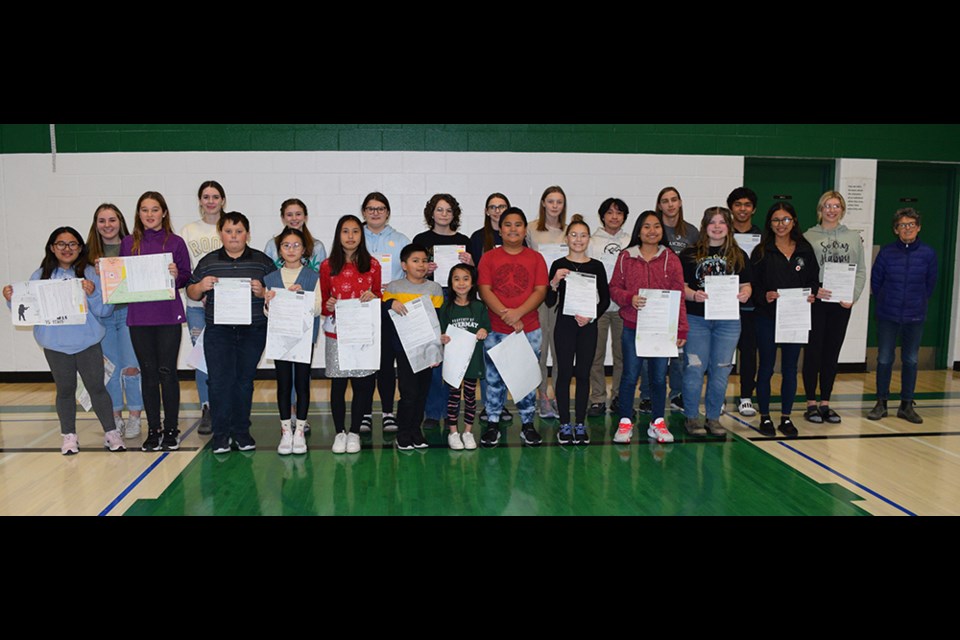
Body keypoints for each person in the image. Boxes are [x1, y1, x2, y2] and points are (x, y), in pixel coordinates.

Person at [3, 228, 123, 455]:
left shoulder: (90, 273)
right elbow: (29, 312)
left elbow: (104, 311)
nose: (67, 249)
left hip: (87, 342)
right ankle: (69, 436)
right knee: (65, 390)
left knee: (97, 387)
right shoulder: (39, 276)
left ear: (80, 247)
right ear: (52, 248)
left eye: (72, 244)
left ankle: (111, 432)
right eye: (61, 244)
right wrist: (12, 300)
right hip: (56, 345)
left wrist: (93, 293)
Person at [187, 211, 276, 454]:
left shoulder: (262, 261)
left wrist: (262, 292)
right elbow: (191, 293)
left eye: (239, 231)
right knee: (218, 382)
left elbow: (275, 295)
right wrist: (200, 286)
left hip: (253, 331)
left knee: (244, 382)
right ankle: (221, 434)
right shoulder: (208, 262)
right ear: (220, 233)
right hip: (218, 332)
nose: (234, 236)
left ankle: (241, 432)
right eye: (228, 231)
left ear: (247, 234)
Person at [610, 210, 688, 445]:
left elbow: (680, 295)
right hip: (633, 327)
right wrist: (629, 298)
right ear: (638, 231)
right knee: (630, 376)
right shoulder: (626, 256)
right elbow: (613, 288)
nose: (652, 231)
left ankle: (657, 422)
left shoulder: (671, 259)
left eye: (656, 226)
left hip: (662, 330)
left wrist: (681, 329)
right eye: (646, 226)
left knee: (657, 378)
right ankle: (625, 422)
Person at [121, 191, 191, 451]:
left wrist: (177, 274)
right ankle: (154, 429)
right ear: (138, 214)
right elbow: (121, 280)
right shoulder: (128, 243)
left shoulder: (176, 242)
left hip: (167, 316)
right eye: (144, 209)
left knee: (167, 372)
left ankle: (171, 428)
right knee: (148, 374)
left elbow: (187, 277)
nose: (149, 214)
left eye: (154, 209)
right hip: (139, 318)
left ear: (163, 212)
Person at [477, 207, 549, 447]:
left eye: (518, 224)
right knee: (494, 379)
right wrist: (507, 316)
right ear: (500, 228)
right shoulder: (489, 257)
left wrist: (519, 313)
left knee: (526, 379)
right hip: (496, 329)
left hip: (528, 329)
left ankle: (528, 424)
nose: (513, 229)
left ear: (525, 229)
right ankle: (493, 423)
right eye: (508, 224)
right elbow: (485, 290)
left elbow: (540, 290)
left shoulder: (536, 258)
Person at [679, 207, 753, 436]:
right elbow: (680, 285)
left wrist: (745, 293)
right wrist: (693, 294)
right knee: (694, 368)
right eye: (713, 222)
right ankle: (691, 417)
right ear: (705, 226)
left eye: (722, 222)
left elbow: (746, 284)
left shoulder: (739, 255)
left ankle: (713, 418)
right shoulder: (690, 254)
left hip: (728, 321)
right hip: (697, 318)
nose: (718, 227)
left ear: (728, 227)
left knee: (721, 370)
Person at [751, 202, 819, 438]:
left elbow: (814, 281)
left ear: (794, 221)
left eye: (786, 219)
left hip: (795, 318)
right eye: (776, 220)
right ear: (770, 224)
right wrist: (764, 296)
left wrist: (811, 294)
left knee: (790, 369)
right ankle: (765, 416)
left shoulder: (805, 250)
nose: (781, 225)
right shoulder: (761, 251)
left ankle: (786, 417)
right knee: (767, 367)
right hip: (767, 317)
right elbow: (753, 286)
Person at [867, 208, 938, 424]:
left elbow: (930, 284)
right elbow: (876, 282)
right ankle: (881, 403)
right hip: (888, 314)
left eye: (911, 225)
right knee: (885, 358)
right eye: (902, 225)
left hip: (914, 316)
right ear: (895, 230)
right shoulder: (887, 253)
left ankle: (906, 405)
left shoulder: (928, 253)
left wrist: (915, 303)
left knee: (911, 359)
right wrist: (887, 301)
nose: (906, 229)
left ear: (918, 227)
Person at [263, 198, 327, 434]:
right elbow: (267, 310)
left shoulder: (312, 274)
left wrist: (303, 298)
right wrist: (269, 303)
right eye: (286, 246)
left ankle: (300, 425)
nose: (291, 250)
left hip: (303, 332)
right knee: (283, 382)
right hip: (280, 333)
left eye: (296, 246)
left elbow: (319, 306)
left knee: (302, 380)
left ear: (304, 250)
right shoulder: (272, 277)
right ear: (279, 250)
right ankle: (285, 427)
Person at [802, 191, 866, 424]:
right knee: (813, 351)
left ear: (842, 209)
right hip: (818, 300)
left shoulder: (852, 237)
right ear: (820, 209)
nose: (831, 210)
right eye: (827, 205)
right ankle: (810, 402)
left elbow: (860, 270)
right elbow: (803, 270)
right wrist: (812, 289)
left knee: (832, 352)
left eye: (836, 206)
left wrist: (853, 296)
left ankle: (826, 402)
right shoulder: (808, 236)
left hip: (841, 302)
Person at [319, 214, 382, 454]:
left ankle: (355, 431)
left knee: (363, 384)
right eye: (345, 231)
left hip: (364, 333)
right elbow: (324, 301)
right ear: (338, 235)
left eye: (355, 231)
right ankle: (339, 432)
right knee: (338, 384)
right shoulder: (327, 266)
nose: (351, 236)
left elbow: (379, 294)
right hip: (337, 333)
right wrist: (330, 304)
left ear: (361, 235)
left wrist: (374, 297)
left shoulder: (373, 264)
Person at [546, 214, 610, 444]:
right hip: (564, 326)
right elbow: (549, 302)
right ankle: (564, 423)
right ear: (566, 238)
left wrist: (591, 317)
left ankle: (580, 424)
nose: (578, 239)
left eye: (583, 235)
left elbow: (605, 300)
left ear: (589, 239)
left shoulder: (597, 266)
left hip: (587, 327)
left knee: (583, 375)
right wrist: (554, 282)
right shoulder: (558, 265)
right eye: (574, 235)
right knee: (563, 374)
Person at [412, 194, 473, 430]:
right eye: (439, 210)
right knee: (434, 357)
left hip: (459, 301)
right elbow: (413, 269)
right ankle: (433, 412)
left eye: (448, 210)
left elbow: (472, 277)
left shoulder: (463, 240)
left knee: (456, 356)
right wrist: (424, 270)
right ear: (432, 213)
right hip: (432, 300)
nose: (444, 214)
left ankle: (452, 412)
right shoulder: (421, 239)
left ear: (454, 214)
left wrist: (471, 262)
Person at [86, 203, 142, 439]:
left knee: (131, 366)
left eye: (112, 220)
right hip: (104, 317)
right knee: (111, 368)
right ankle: (115, 417)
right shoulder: (88, 254)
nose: (107, 225)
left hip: (130, 312)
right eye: (102, 220)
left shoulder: (132, 247)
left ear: (120, 221)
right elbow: (85, 288)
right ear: (95, 224)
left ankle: (135, 417)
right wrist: (94, 277)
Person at [383, 243, 444, 450]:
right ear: (404, 265)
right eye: (415, 261)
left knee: (421, 393)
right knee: (408, 393)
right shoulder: (394, 287)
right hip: (404, 349)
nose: (421, 265)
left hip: (427, 350)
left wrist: (437, 348)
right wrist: (389, 304)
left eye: (424, 261)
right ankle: (403, 432)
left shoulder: (434, 289)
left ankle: (416, 430)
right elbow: (383, 315)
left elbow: (437, 321)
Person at [179, 180, 226, 435]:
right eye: (206, 196)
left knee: (228, 356)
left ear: (222, 200)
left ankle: (226, 406)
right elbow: (185, 271)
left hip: (228, 305)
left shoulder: (230, 228)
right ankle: (207, 407)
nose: (210, 201)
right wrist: (201, 291)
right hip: (197, 305)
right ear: (199, 201)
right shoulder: (188, 231)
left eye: (215, 196)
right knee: (202, 358)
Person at [467, 192, 518, 424]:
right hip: (486, 305)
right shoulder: (477, 238)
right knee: (489, 358)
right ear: (487, 211)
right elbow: (471, 275)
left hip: (510, 307)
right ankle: (489, 405)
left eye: (502, 206)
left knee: (505, 358)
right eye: (493, 207)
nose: (497, 211)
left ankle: (502, 404)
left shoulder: (517, 236)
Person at [360, 192, 409, 434]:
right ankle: (365, 413)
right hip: (362, 308)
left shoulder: (400, 239)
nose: (375, 212)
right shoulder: (355, 238)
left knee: (387, 364)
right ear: (364, 212)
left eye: (380, 208)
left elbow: (410, 272)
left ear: (387, 212)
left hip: (391, 308)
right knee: (367, 363)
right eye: (370, 208)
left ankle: (388, 412)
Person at [587, 197, 631, 417]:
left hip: (624, 308)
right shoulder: (591, 242)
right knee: (596, 354)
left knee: (622, 355)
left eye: (619, 213)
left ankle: (619, 397)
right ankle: (597, 398)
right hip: (598, 306)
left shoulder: (631, 242)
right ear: (602, 215)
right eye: (610, 212)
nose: (614, 217)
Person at [656, 186, 699, 412]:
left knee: (679, 350)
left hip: (683, 298)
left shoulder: (692, 232)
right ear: (659, 205)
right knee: (653, 348)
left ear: (680, 203)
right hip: (657, 298)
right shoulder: (654, 229)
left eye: (674, 200)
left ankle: (677, 394)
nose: (670, 204)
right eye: (665, 201)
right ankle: (647, 395)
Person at [527, 186, 568, 419]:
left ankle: (559, 396)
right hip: (541, 296)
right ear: (543, 203)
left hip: (565, 297)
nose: (555, 206)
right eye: (550, 201)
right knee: (541, 350)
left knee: (561, 349)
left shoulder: (568, 230)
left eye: (559, 202)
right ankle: (542, 396)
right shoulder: (532, 229)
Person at [439, 264, 490, 450]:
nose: (461, 283)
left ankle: (468, 432)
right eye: (456, 279)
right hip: (453, 364)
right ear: (450, 283)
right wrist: (442, 338)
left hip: (473, 362)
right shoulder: (447, 308)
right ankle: (453, 432)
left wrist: (484, 330)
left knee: (470, 398)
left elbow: (486, 327)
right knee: (453, 398)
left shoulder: (479, 306)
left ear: (473, 282)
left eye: (466, 278)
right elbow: (441, 332)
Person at [727, 187, 762, 417]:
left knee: (749, 352)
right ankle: (718, 396)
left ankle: (746, 396)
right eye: (738, 204)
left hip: (751, 306)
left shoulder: (762, 237)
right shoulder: (722, 234)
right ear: (731, 208)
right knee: (721, 354)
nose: (742, 209)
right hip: (724, 304)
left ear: (753, 209)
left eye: (747, 205)